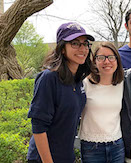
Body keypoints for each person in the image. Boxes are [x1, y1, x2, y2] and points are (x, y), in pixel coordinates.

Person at [27, 22, 95, 163]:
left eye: (85, 43)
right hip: (44, 158)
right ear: (62, 48)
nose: (82, 48)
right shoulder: (49, 78)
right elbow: (38, 126)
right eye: (75, 43)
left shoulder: (77, 80)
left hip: (66, 156)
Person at [78, 42, 125, 163]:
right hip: (91, 147)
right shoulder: (85, 84)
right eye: (101, 57)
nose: (107, 61)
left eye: (111, 57)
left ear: (117, 60)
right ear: (95, 61)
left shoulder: (122, 84)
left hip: (117, 146)